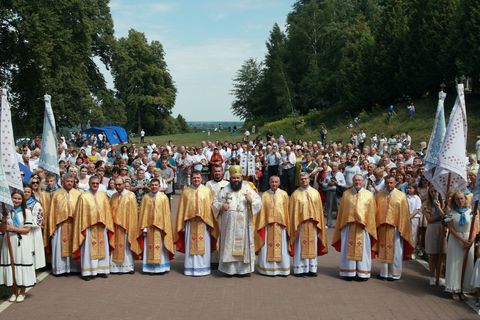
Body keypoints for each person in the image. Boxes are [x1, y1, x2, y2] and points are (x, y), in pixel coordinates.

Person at [213, 165, 261, 275]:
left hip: (244, 224)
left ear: (241, 178)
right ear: (230, 178)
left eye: (238, 178)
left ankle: (243, 271)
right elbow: (215, 203)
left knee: (243, 247)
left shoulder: (247, 188)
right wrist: (221, 206)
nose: (236, 180)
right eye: (234, 178)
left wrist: (251, 201)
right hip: (229, 225)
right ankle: (229, 270)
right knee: (228, 245)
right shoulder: (224, 189)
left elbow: (258, 202)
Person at [332, 174, 377, 281]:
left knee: (364, 250)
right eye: (356, 180)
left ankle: (362, 273)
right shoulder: (346, 194)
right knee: (347, 249)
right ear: (353, 181)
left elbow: (372, 213)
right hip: (348, 226)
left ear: (363, 182)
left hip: (364, 228)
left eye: (360, 180)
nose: (357, 182)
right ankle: (348, 272)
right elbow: (342, 212)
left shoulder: (369, 195)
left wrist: (368, 225)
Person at [175, 172, 218, 276]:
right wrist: (183, 223)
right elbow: (182, 209)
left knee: (204, 246)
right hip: (190, 223)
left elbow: (210, 207)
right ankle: (190, 268)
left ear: (201, 178)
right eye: (194, 178)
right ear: (191, 179)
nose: (196, 180)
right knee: (191, 245)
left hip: (204, 224)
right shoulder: (186, 191)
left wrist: (209, 221)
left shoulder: (207, 191)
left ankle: (204, 268)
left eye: (198, 178)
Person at [72, 176, 114, 280]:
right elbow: (80, 214)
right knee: (88, 250)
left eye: (97, 183)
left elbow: (107, 211)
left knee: (102, 248)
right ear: (89, 184)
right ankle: (88, 272)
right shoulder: (83, 196)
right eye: (93, 183)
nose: (95, 185)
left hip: (101, 227)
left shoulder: (103, 195)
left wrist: (107, 223)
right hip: (89, 228)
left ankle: (101, 270)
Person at [374, 175, 414, 280]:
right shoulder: (379, 195)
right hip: (382, 227)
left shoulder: (401, 196)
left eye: (391, 182)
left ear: (395, 183)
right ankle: (384, 273)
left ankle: (395, 274)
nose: (389, 185)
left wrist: (402, 228)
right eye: (387, 182)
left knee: (396, 252)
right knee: (383, 250)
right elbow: (375, 211)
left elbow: (405, 214)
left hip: (396, 228)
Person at [0, 191, 37, 303]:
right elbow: (2, 229)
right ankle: (14, 291)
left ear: (22, 200)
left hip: (22, 243)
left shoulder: (26, 212)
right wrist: (4, 223)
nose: (16, 201)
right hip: (9, 242)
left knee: (22, 265)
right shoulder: (6, 212)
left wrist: (13, 229)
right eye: (14, 198)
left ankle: (22, 292)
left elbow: (27, 230)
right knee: (12, 266)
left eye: (19, 199)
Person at [289, 173, 328, 276]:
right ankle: (299, 269)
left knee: (312, 245)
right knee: (300, 246)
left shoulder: (315, 193)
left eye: (305, 179)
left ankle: (312, 269)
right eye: (302, 179)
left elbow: (319, 210)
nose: (304, 181)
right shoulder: (295, 194)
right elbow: (293, 212)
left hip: (313, 224)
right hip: (300, 225)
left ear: (309, 180)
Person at [444, 191, 476, 300]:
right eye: (457, 199)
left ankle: (465, 288)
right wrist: (462, 240)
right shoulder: (451, 212)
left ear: (465, 199)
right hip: (456, 240)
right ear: (454, 200)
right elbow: (451, 229)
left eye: (461, 198)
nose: (460, 201)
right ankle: (454, 288)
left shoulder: (471, 212)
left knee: (468, 264)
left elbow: (475, 227)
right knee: (455, 264)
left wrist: (471, 240)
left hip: (468, 240)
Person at [255, 175, 290, 276]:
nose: (274, 184)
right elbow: (261, 212)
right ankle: (266, 269)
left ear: (279, 183)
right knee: (267, 247)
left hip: (281, 226)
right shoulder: (265, 195)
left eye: (276, 182)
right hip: (267, 226)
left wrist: (285, 223)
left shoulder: (284, 194)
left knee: (281, 247)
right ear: (269, 183)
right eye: (272, 182)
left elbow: (286, 211)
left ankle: (282, 268)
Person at [47, 174, 82, 275]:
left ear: (74, 182)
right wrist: (52, 226)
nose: (70, 183)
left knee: (74, 244)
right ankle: (61, 269)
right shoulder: (56, 194)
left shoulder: (78, 194)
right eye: (68, 181)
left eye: (71, 181)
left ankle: (74, 268)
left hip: (74, 225)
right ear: (63, 182)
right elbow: (52, 211)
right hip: (60, 225)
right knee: (59, 247)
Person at [138, 178, 175, 274]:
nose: (154, 187)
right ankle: (149, 268)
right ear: (150, 186)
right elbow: (143, 214)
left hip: (160, 228)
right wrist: (144, 228)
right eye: (152, 185)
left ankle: (161, 268)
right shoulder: (146, 197)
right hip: (149, 228)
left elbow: (166, 214)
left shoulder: (163, 198)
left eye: (156, 185)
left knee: (160, 248)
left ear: (159, 186)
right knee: (149, 247)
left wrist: (164, 227)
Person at [109, 177, 141, 274]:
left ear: (124, 184)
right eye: (116, 185)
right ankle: (115, 268)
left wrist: (131, 226)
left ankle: (128, 267)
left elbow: (133, 213)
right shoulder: (113, 196)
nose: (118, 186)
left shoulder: (130, 195)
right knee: (115, 246)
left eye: (120, 184)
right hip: (115, 226)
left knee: (126, 247)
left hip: (126, 226)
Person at [423, 187, 446, 286]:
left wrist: (440, 208)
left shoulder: (444, 203)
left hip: (442, 229)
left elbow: (446, 217)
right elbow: (429, 219)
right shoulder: (426, 204)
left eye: (435, 191)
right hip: (432, 229)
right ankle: (432, 276)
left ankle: (439, 276)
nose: (433, 193)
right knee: (432, 255)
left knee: (441, 254)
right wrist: (441, 216)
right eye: (431, 192)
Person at [23, 185, 46, 270]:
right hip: (23, 231)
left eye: (28, 192)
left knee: (33, 250)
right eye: (24, 191)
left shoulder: (36, 204)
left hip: (33, 231)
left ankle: (33, 269)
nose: (26, 193)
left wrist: (26, 224)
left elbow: (39, 220)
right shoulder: (20, 203)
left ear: (31, 192)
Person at [322, 162, 346, 228]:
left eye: (335, 166)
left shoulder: (340, 174)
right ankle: (329, 223)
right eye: (332, 166)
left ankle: (339, 224)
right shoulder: (328, 174)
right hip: (329, 191)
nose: (333, 167)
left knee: (339, 208)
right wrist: (328, 184)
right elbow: (323, 184)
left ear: (337, 167)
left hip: (337, 192)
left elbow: (344, 184)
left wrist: (338, 183)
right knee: (329, 208)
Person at [406, 183, 422, 258]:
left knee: (413, 234)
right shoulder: (405, 197)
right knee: (406, 234)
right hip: (406, 218)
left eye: (411, 188)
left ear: (414, 189)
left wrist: (410, 217)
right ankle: (406, 251)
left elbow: (417, 209)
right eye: (408, 188)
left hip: (414, 218)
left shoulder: (417, 198)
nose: (409, 189)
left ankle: (412, 251)